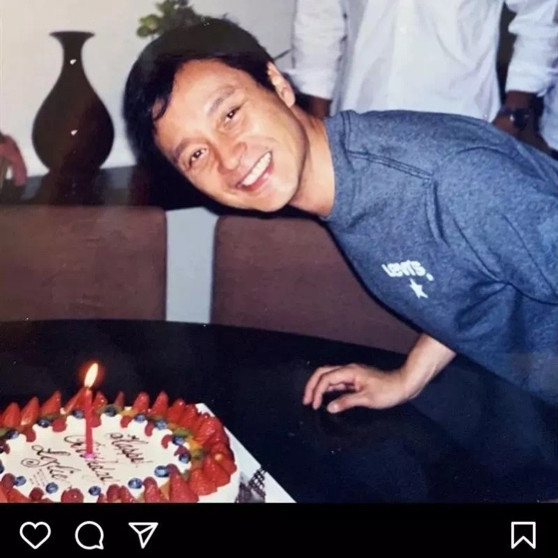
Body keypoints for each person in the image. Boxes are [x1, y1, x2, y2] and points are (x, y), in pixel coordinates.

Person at [123, 18, 558, 413]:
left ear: (277, 84)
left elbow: (461, 205)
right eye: (196, 155)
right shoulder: (344, 175)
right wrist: (408, 378)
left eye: (230, 115)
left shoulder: (448, 180)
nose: (229, 158)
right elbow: (459, 277)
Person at [287, 0, 558, 139]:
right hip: (359, 124)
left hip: (462, 127)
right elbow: (318, 16)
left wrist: (514, 114)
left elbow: (539, 15)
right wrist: (318, 123)